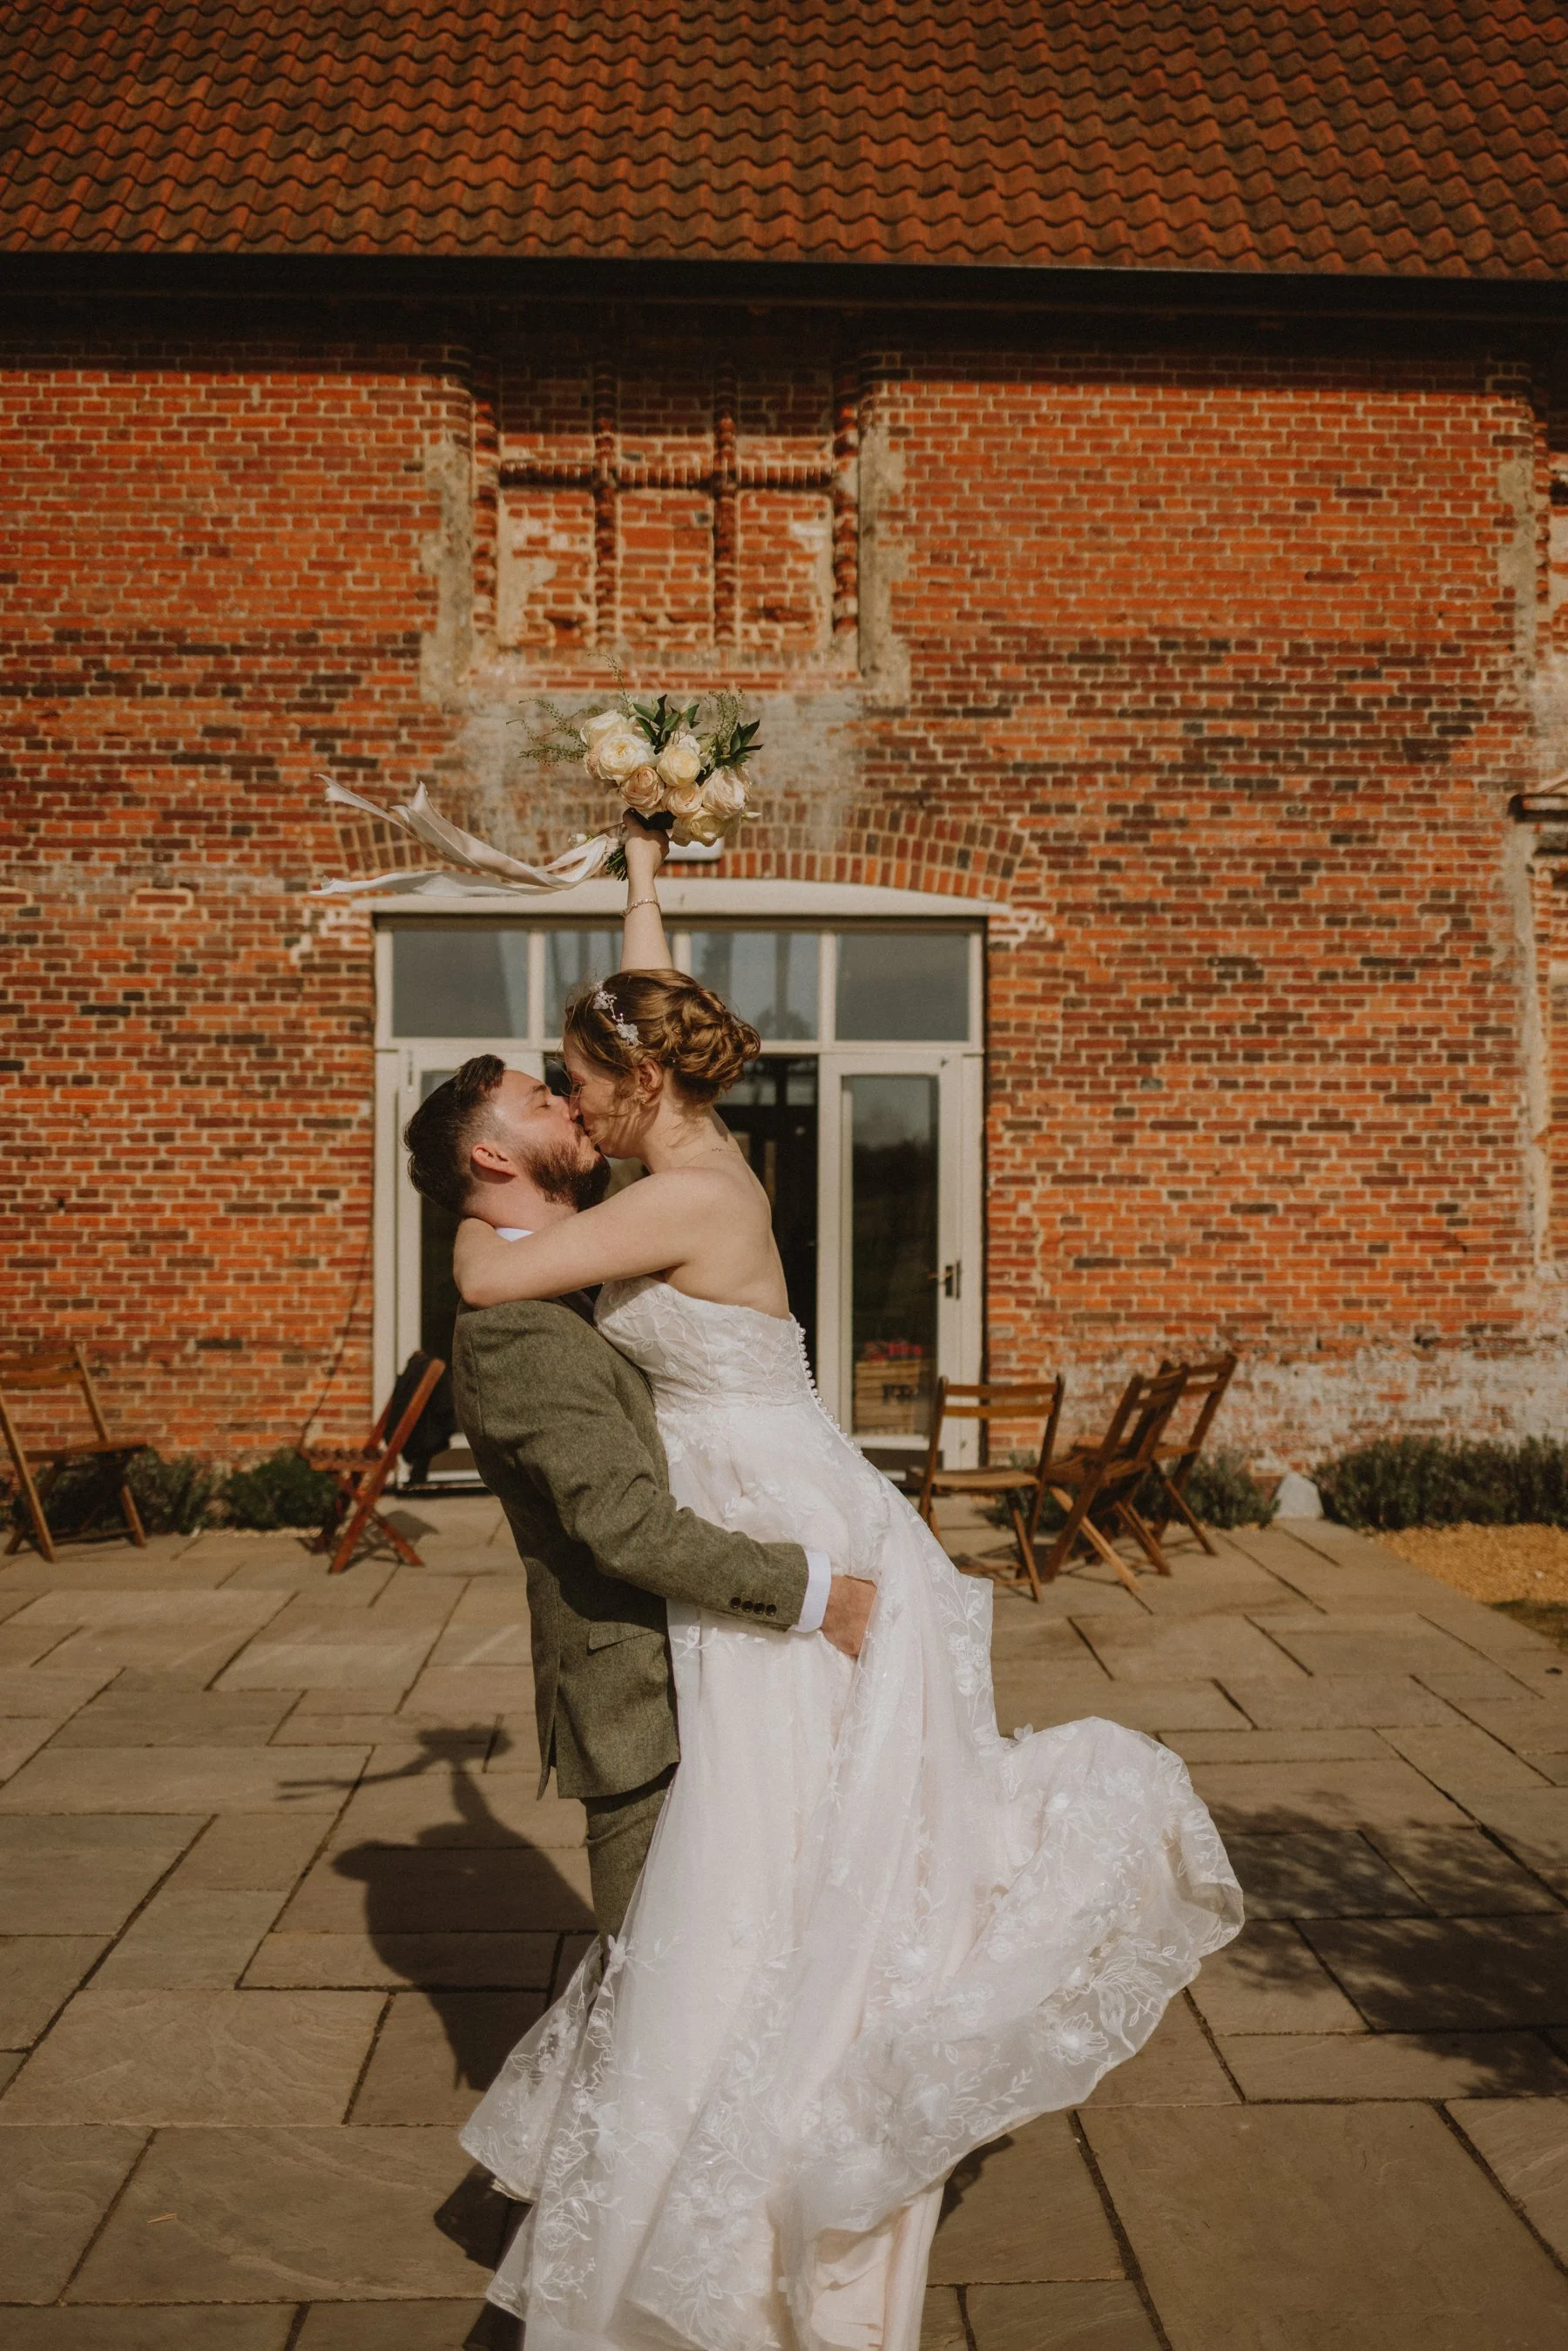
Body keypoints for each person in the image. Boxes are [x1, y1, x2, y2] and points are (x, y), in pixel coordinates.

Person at [448, 821, 1244, 2351]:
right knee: (781, 1848)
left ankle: (767, 2136)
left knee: (776, 1846)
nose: (575, 1103)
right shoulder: (688, 1144)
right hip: (770, 1481)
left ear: (644, 1085)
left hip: (779, 1508)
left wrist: (499, 1204)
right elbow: (645, 993)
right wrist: (639, 867)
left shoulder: (683, 1197)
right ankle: (734, 2102)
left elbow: (488, 1277)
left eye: (582, 1080)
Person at [402, 1060, 875, 1941]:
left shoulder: (583, 1242)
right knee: (661, 1982)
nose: (569, 1098)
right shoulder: (513, 1330)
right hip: (643, 1695)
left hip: (719, 1660)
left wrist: (643, 911)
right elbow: (625, 1524)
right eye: (543, 1098)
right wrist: (820, 1595)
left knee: (769, 1946)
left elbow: (655, 1090)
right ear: (498, 1157)